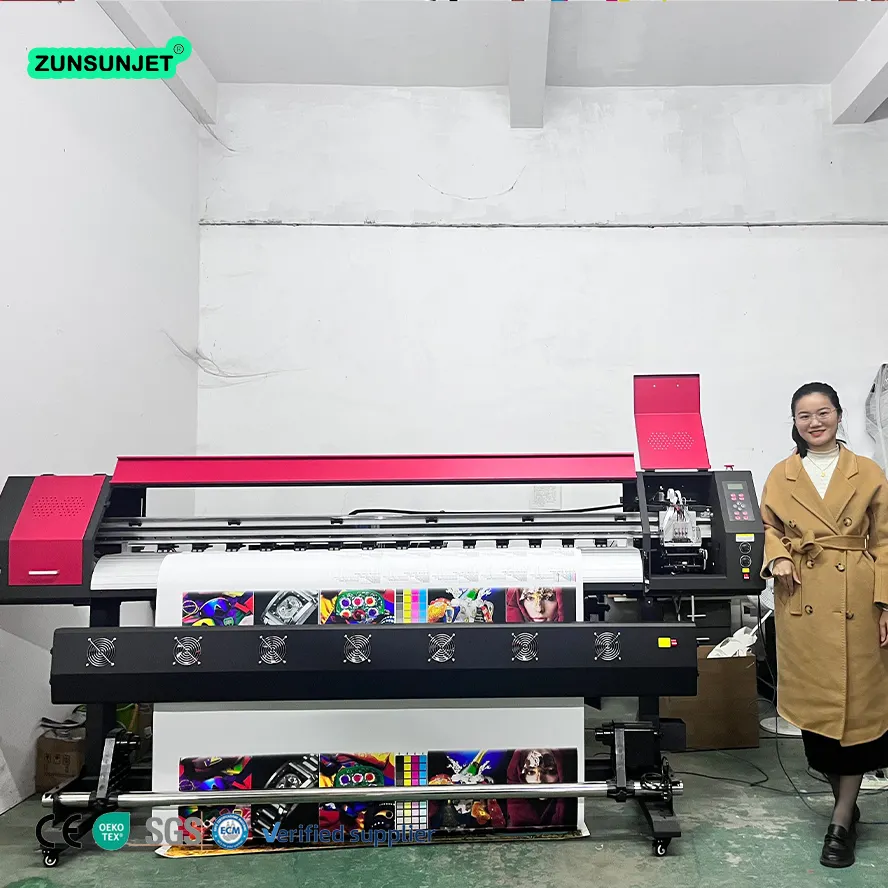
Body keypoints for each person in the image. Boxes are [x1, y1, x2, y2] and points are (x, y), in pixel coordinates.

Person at [759, 382, 888, 868]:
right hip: (804, 600)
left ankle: (840, 820)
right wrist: (777, 557)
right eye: (804, 415)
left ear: (838, 415)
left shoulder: (867, 471)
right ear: (795, 422)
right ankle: (846, 807)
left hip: (858, 600)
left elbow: (885, 541)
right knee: (820, 716)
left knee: (857, 713)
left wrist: (886, 603)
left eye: (823, 412)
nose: (815, 422)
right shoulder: (783, 474)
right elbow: (769, 528)